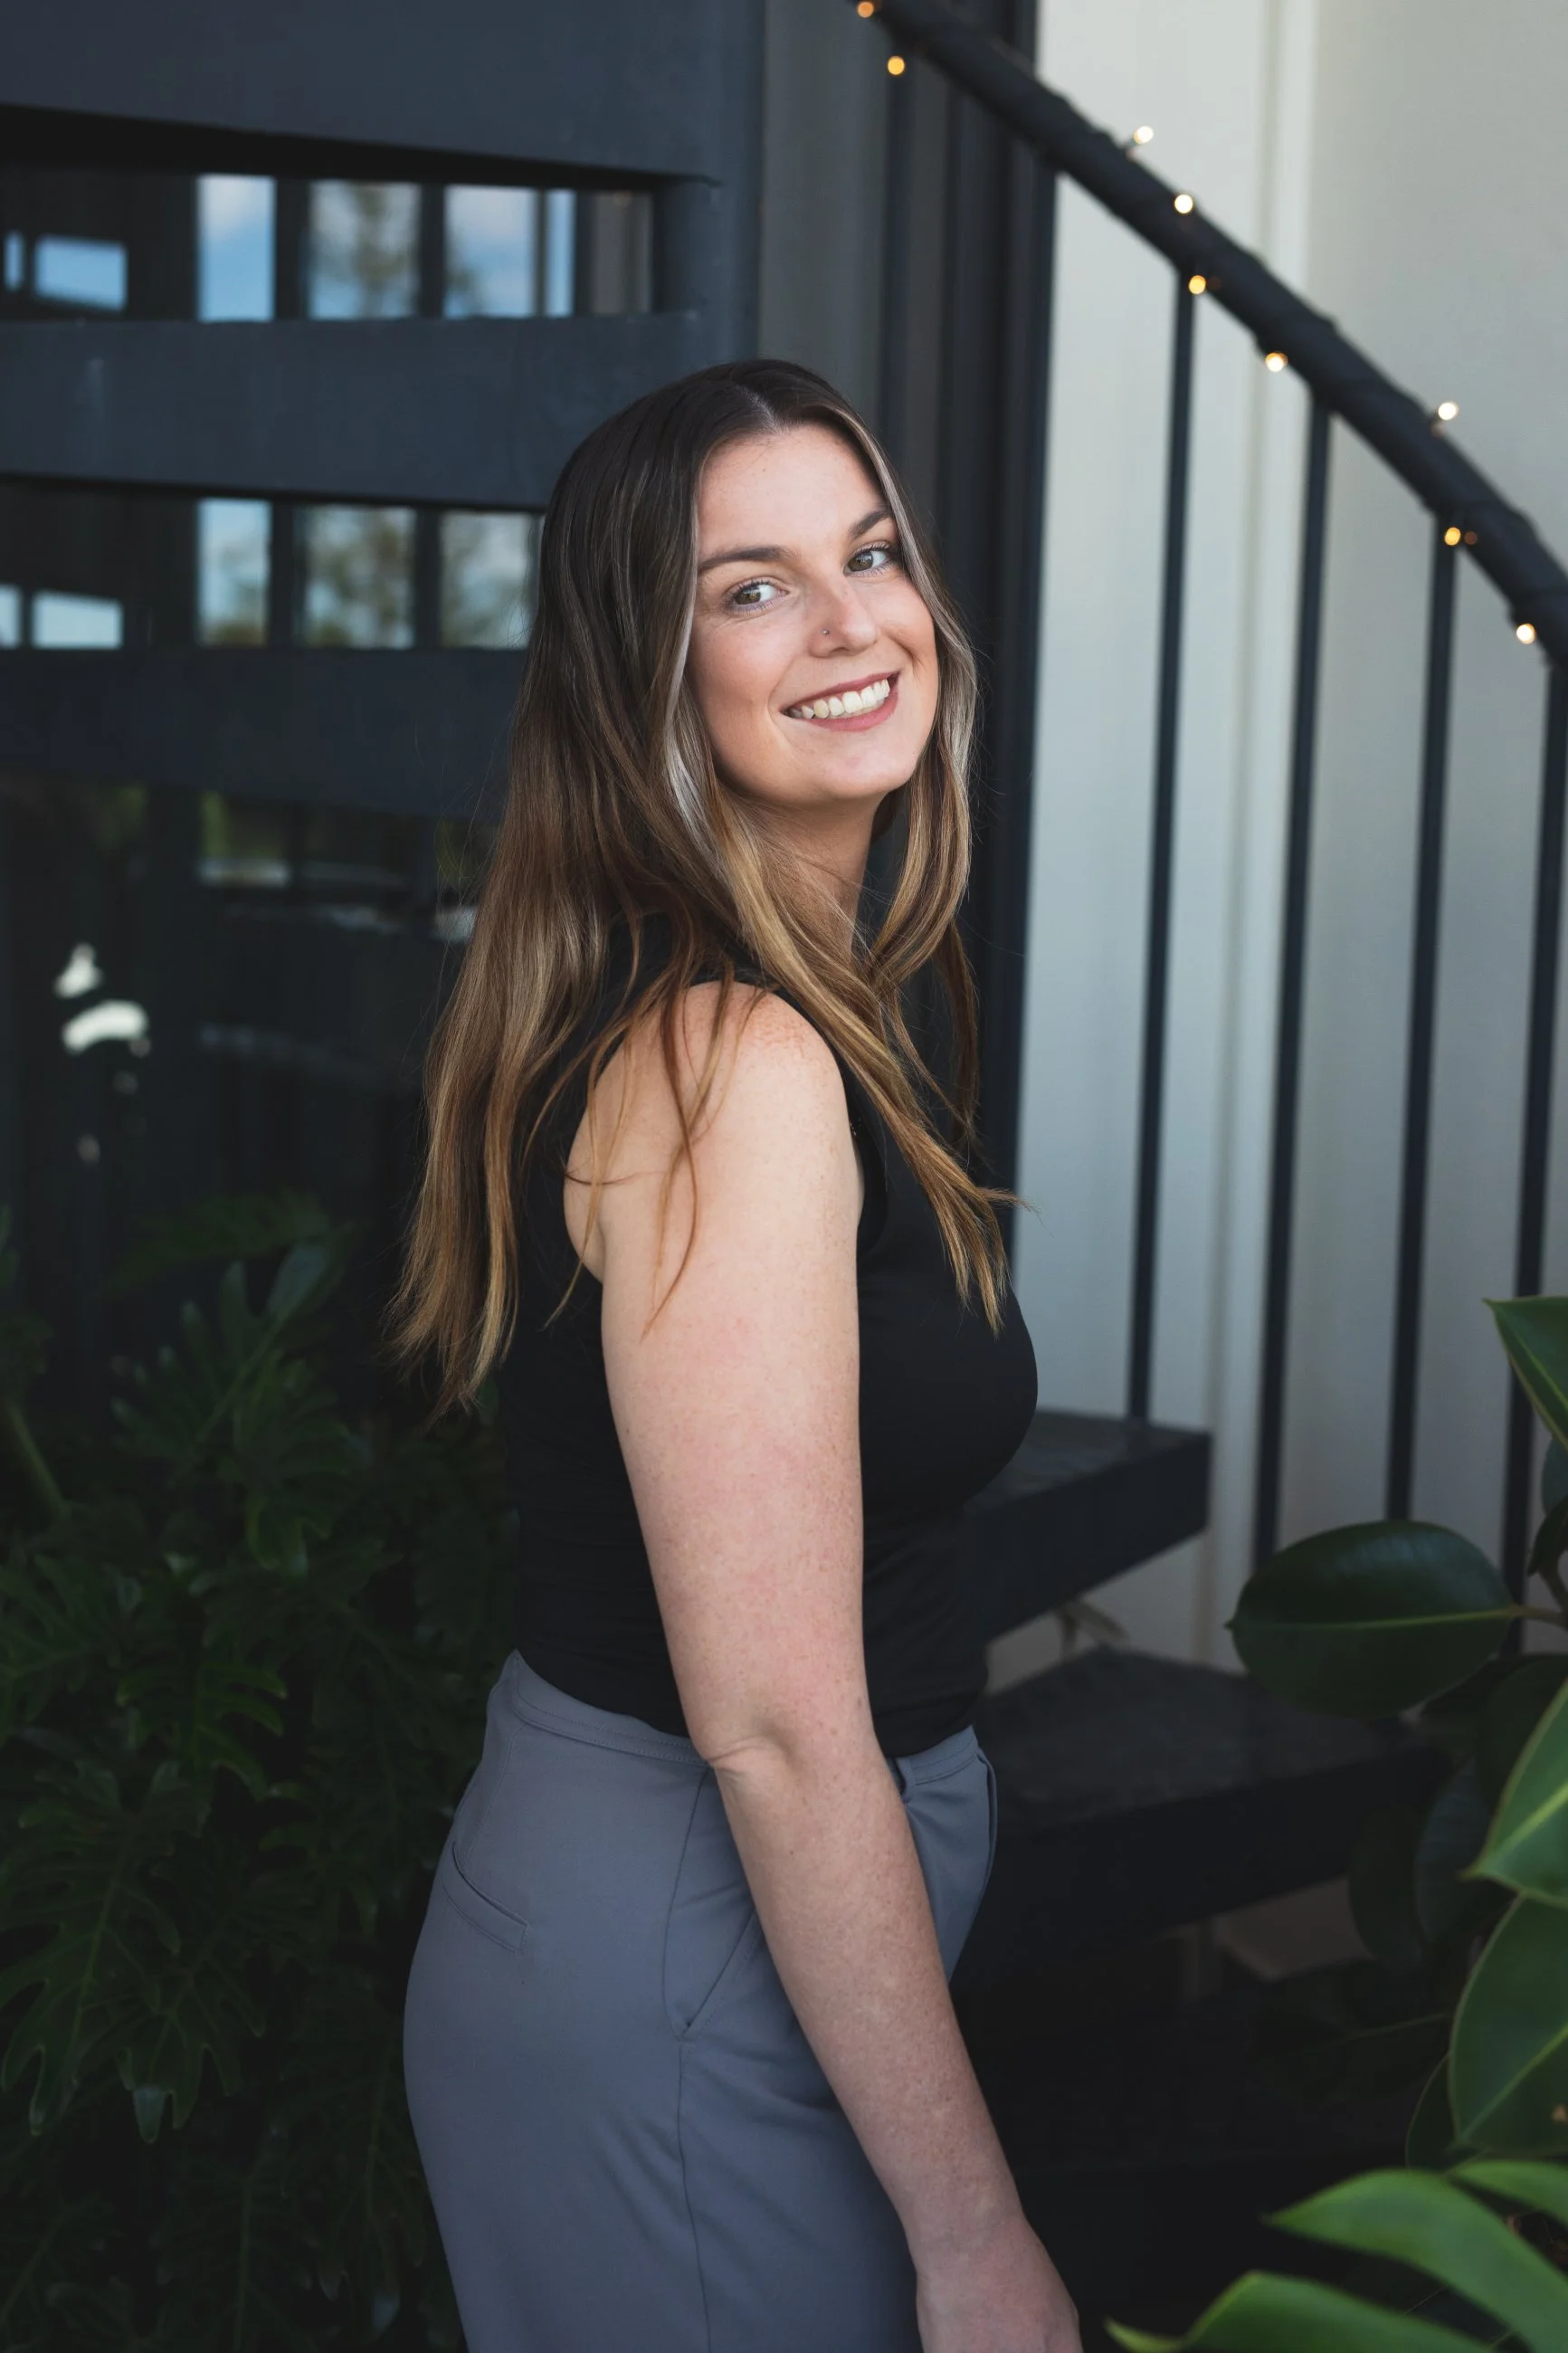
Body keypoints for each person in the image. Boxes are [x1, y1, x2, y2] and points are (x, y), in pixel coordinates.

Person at [394, 358, 1080, 2353]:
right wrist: (974, 2237)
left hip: (716, 1945)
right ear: (643, 676)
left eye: (868, 552)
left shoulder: (800, 1004)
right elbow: (776, 1727)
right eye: (751, 586)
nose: (855, 619)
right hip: (682, 1965)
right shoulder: (731, 1058)